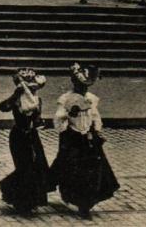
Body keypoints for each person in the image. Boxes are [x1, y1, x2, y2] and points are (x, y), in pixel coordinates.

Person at [50, 63, 119, 219]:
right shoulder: (66, 99)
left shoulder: (91, 99)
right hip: (73, 138)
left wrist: (97, 131)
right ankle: (72, 196)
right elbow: (58, 121)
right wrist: (69, 114)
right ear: (74, 84)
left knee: (92, 171)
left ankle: (85, 204)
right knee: (73, 169)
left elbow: (95, 116)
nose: (83, 90)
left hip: (88, 138)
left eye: (86, 87)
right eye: (81, 86)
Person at [0, 68, 52, 215]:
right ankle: (22, 200)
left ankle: (30, 200)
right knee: (24, 167)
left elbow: (36, 119)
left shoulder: (37, 101)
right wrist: (15, 94)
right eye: (31, 88)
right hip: (19, 136)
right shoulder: (17, 100)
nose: (33, 90)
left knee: (36, 165)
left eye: (34, 88)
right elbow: (2, 107)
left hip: (32, 136)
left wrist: (40, 121)